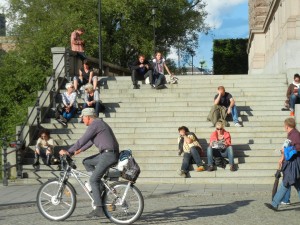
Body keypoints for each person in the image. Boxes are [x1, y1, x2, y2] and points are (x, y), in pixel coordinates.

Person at [59, 108, 119, 218]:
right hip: (108, 154)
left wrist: (69, 151)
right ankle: (98, 186)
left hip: (108, 155)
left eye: (83, 117)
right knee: (87, 162)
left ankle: (99, 209)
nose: (82, 120)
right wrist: (76, 152)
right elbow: (89, 142)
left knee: (93, 179)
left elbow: (83, 139)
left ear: (88, 117)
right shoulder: (98, 124)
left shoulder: (95, 124)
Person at [265, 117, 300, 211]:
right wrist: (282, 156)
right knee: (297, 184)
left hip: (293, 163)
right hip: (292, 162)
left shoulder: (295, 135)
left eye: (285, 126)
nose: (284, 128)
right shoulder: (292, 134)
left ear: (287, 126)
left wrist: (289, 150)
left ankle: (274, 204)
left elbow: (298, 147)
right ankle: (275, 203)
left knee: (286, 183)